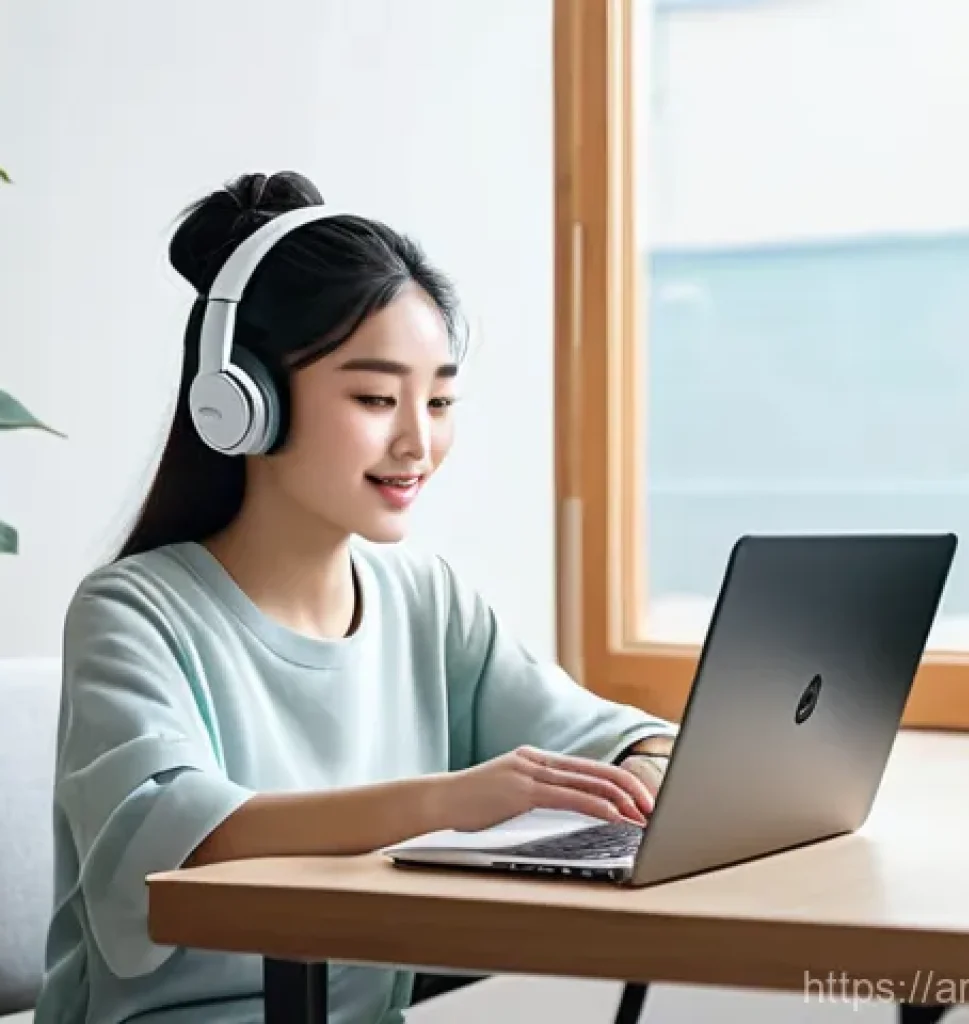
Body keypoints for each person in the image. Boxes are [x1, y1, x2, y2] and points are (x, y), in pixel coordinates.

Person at [34, 171, 677, 1024]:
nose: (418, 441)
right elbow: (176, 837)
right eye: (376, 398)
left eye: (440, 400)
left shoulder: (426, 598)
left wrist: (638, 773)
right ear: (243, 403)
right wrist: (452, 800)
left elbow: (613, 737)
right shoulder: (136, 610)